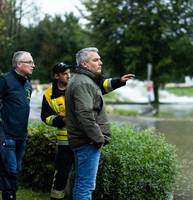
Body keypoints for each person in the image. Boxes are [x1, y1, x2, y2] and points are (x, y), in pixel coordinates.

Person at [41, 62, 134, 200]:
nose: (68, 75)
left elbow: (100, 86)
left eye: (69, 72)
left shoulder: (77, 85)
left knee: (82, 178)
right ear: (56, 76)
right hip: (64, 142)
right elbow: (45, 117)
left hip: (83, 139)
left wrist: (119, 81)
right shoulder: (49, 94)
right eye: (64, 74)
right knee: (62, 174)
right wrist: (60, 120)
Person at [0, 51, 35, 200]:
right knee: (10, 170)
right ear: (19, 64)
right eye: (30, 62)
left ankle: (11, 194)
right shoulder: (4, 80)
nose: (34, 65)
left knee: (17, 170)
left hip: (22, 135)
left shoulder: (28, 84)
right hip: (6, 134)